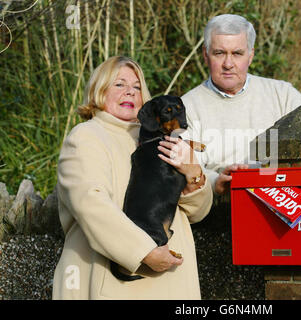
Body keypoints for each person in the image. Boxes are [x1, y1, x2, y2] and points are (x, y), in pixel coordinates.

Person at [52, 56, 213, 300]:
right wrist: (145, 251)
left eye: (137, 87)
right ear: (99, 91)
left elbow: (198, 212)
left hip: (171, 282)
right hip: (115, 284)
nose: (129, 91)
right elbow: (90, 204)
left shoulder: (164, 138)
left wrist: (193, 173)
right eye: (119, 84)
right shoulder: (85, 137)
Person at [182, 14, 301, 195]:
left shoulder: (282, 94)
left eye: (237, 53)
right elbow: (186, 168)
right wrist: (216, 182)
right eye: (219, 53)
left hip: (286, 198)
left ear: (251, 56)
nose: (228, 63)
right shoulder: (187, 106)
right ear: (206, 56)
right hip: (221, 206)